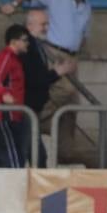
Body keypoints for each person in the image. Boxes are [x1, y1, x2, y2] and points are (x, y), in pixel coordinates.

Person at [6, 0, 89, 164]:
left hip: (72, 54)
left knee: (72, 103)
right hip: (53, 50)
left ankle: (66, 151)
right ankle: (36, 118)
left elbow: (84, 34)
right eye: (43, 24)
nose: (45, 26)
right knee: (64, 90)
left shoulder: (87, 7)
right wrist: (14, 4)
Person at [21, 10, 74, 168]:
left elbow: (39, 76)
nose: (46, 28)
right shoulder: (28, 47)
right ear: (30, 25)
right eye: (42, 24)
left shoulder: (37, 45)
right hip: (26, 108)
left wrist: (54, 72)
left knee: (37, 156)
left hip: (32, 108)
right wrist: (56, 73)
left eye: (47, 24)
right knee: (34, 156)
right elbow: (34, 79)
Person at [0, 25, 30, 168]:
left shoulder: (15, 59)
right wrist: (4, 94)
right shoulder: (6, 57)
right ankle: (15, 189)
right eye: (24, 40)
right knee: (13, 160)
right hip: (3, 115)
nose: (27, 43)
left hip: (7, 115)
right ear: (14, 41)